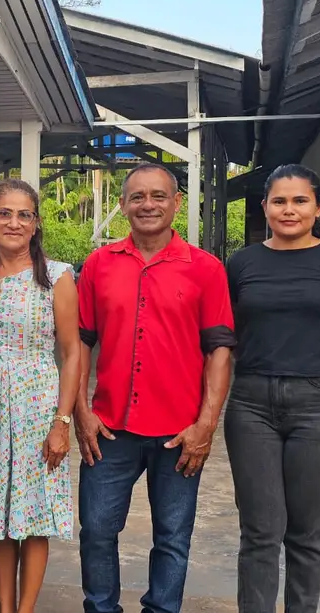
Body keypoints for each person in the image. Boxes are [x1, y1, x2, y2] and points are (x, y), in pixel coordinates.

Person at [75, 162, 236, 613]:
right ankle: (101, 607)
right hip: (109, 428)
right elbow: (80, 342)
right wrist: (81, 412)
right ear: (123, 205)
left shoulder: (204, 269)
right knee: (97, 530)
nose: (148, 204)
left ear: (176, 203)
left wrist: (206, 424)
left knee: (172, 536)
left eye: (159, 196)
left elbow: (220, 350)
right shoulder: (98, 265)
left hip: (179, 432)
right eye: (138, 196)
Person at [224, 164, 320, 613]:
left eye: (300, 200)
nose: (289, 210)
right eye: (279, 201)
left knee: (307, 531)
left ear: (318, 207)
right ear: (264, 206)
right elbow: (228, 336)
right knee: (260, 531)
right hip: (251, 405)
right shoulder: (242, 262)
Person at [0, 179, 81, 613]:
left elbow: (71, 352)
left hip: (38, 407)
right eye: (3, 213)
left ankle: (25, 610)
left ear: (36, 223)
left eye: (24, 214)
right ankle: (5, 608)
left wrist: (62, 423)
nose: (13, 222)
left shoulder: (57, 277)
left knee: (34, 515)